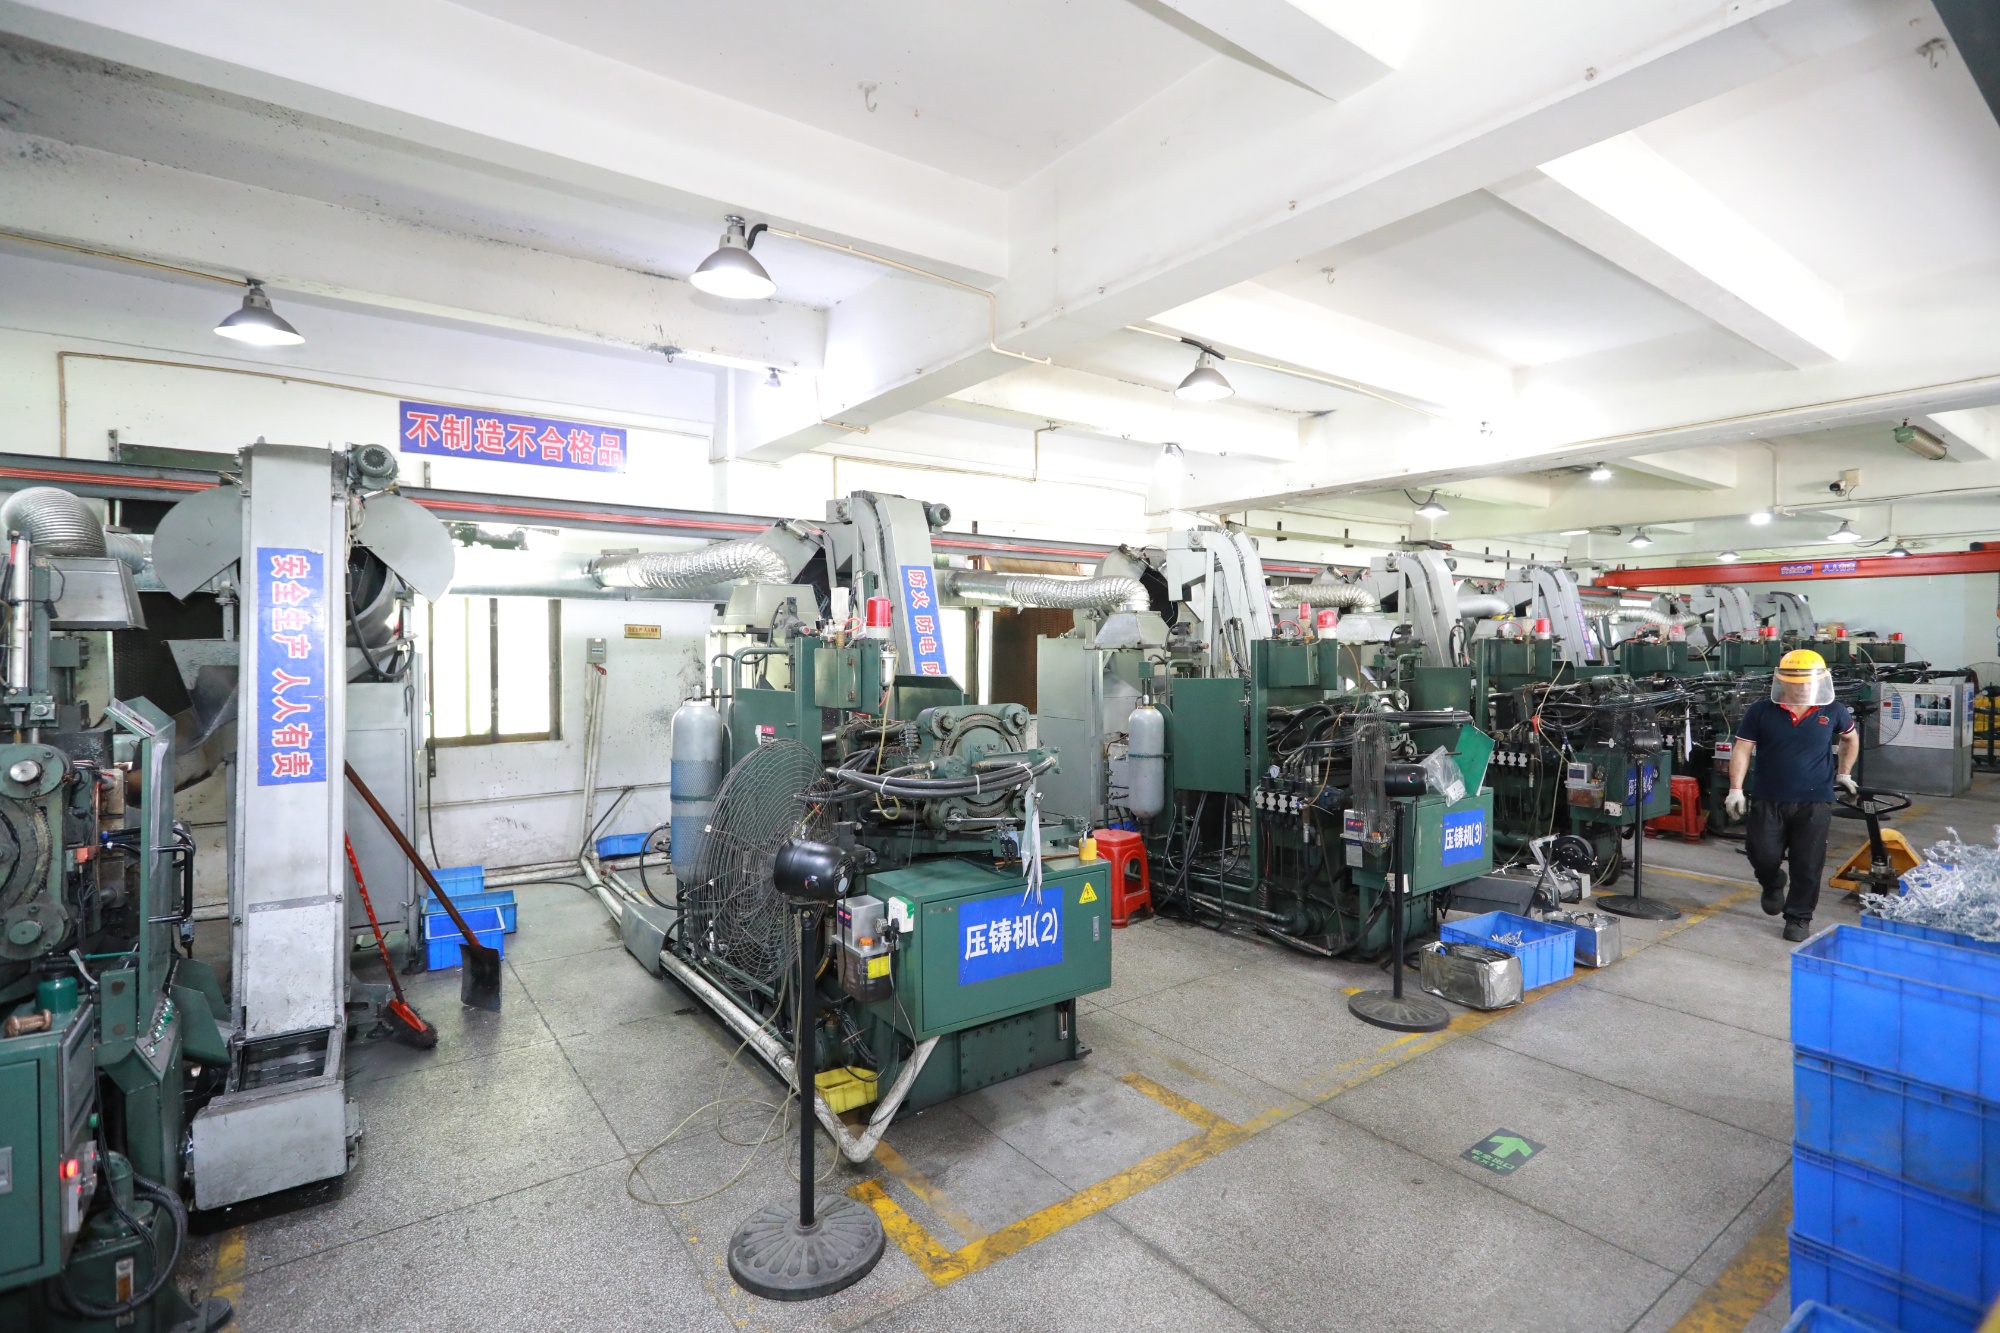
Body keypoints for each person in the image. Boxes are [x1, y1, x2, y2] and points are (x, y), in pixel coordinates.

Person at [1724, 649, 1860, 942]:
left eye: (1806, 683)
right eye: (1794, 683)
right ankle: (1772, 881)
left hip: (1815, 800)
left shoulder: (1833, 710)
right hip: (1768, 796)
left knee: (1808, 863)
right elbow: (1743, 749)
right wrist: (1736, 788)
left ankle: (1799, 917)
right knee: (1761, 853)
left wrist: (1844, 773)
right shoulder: (1761, 711)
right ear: (1782, 681)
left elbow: (1850, 738)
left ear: (1819, 682)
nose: (1800, 689)